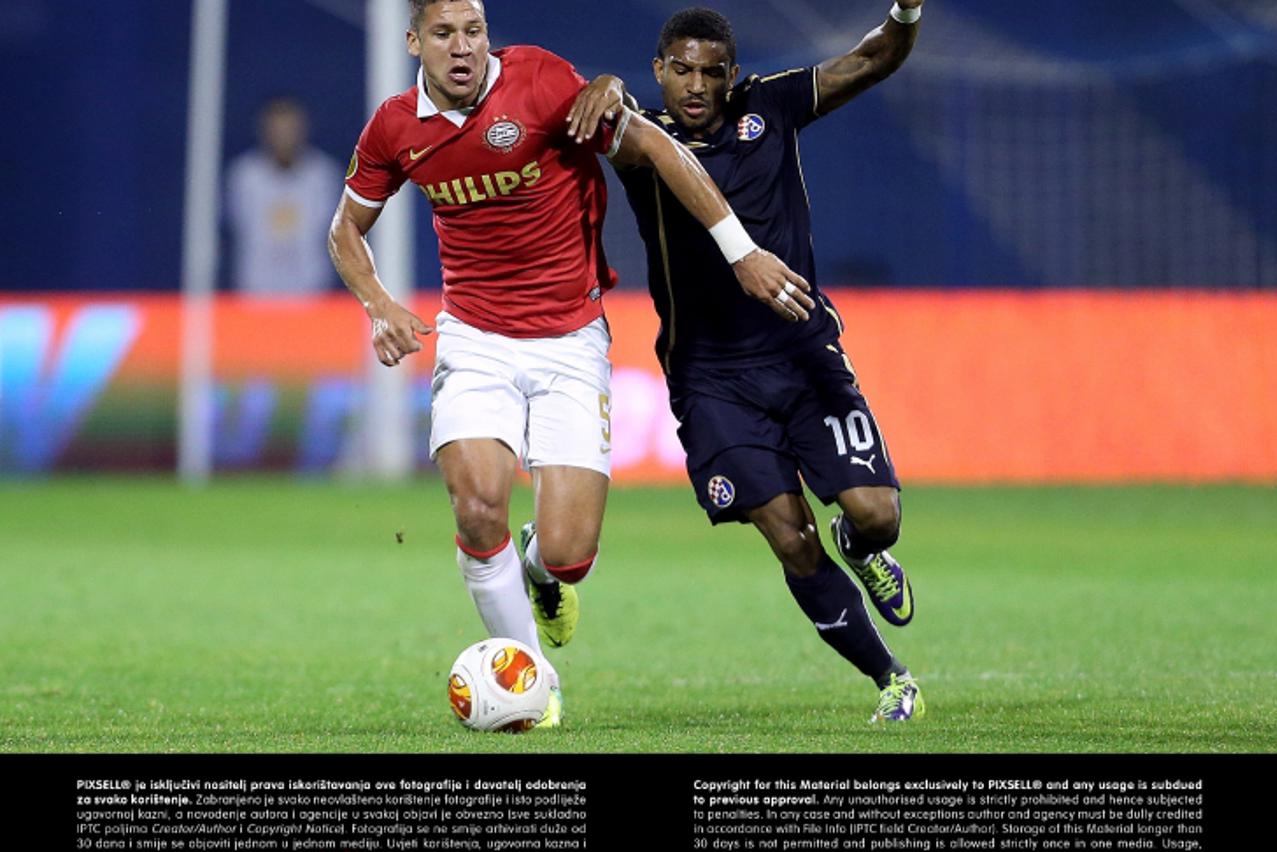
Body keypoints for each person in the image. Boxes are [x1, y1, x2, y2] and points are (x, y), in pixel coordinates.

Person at [327, 0, 814, 727]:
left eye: (473, 32)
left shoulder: (543, 82)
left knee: (569, 554)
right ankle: (535, 683)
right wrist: (379, 304)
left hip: (569, 339)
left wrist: (740, 251)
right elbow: (345, 230)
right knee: (478, 504)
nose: (462, 49)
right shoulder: (395, 128)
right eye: (443, 34)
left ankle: (540, 568)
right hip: (475, 336)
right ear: (413, 42)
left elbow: (660, 149)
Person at [581, 2, 927, 722]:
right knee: (788, 535)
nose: (696, 86)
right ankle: (892, 681)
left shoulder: (769, 105)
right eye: (681, 71)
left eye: (711, 73)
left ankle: (862, 551)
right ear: (660, 71)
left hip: (803, 354)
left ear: (732, 75)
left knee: (878, 516)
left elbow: (871, 58)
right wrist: (608, 85)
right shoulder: (644, 143)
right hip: (711, 378)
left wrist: (906, 11)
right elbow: (601, 113)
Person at [226, 97, 342, 296]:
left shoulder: (323, 176)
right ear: (265, 131)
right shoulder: (245, 176)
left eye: (289, 128)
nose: (284, 136)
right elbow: (238, 226)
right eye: (277, 129)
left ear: (302, 129)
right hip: (255, 291)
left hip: (311, 291)